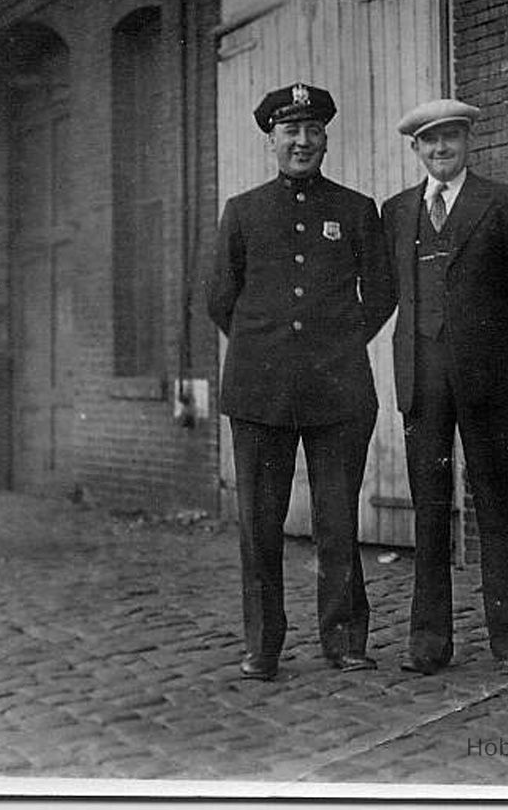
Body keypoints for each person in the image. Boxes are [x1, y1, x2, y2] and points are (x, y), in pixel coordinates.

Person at [206, 82, 395, 681]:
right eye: (291, 131)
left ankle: (344, 641)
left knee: (337, 521)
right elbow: (218, 299)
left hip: (337, 388)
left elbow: (383, 293)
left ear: (325, 139)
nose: (303, 141)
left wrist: (335, 346)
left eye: (313, 131)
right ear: (271, 139)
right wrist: (269, 350)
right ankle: (262, 646)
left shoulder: (356, 210)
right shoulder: (242, 211)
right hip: (260, 391)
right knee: (260, 525)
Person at [381, 98, 508, 677]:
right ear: (416, 149)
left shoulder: (504, 204)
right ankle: (428, 642)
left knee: (497, 505)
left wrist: (489, 350)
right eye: (430, 142)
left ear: (468, 141)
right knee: (429, 509)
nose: (441, 149)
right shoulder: (397, 211)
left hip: (488, 381)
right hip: (422, 384)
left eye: (450, 138)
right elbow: (391, 292)